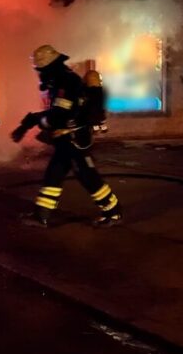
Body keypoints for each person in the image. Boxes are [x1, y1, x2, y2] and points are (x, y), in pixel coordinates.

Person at [11, 45, 122, 228]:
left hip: (74, 140)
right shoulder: (59, 80)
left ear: (49, 67)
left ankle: (114, 212)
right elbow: (59, 113)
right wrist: (31, 122)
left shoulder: (66, 83)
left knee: (88, 177)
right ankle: (41, 216)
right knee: (53, 175)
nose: (39, 74)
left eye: (40, 70)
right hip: (66, 141)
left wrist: (31, 122)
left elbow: (58, 117)